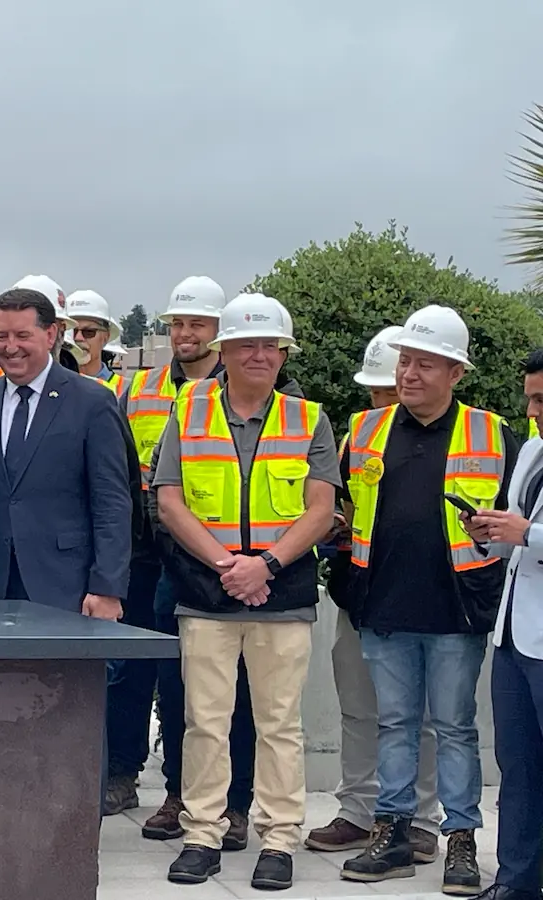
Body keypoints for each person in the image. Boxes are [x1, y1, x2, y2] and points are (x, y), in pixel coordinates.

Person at [153, 293, 338, 891]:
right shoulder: (189, 411)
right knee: (204, 720)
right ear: (223, 351)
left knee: (279, 723)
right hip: (206, 591)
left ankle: (279, 839)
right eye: (246, 344)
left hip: (280, 593)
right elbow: (168, 498)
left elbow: (321, 509)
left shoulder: (308, 419)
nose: (260, 355)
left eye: (270, 345)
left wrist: (265, 564)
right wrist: (226, 563)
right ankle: (202, 833)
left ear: (283, 354)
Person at [339, 305, 517, 895]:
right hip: (383, 607)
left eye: (425, 364)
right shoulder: (364, 432)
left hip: (456, 610)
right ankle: (389, 836)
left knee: (455, 727)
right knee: (394, 724)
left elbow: (518, 522)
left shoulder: (493, 434)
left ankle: (460, 842)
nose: (410, 374)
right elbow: (340, 516)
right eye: (406, 362)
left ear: (456, 373)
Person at [124, 277, 256, 848]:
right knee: (176, 685)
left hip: (241, 566)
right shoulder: (142, 388)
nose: (184, 333)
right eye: (177, 323)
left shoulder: (256, 391)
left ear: (219, 334)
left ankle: (237, 804)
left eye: (197, 324)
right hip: (163, 556)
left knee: (242, 694)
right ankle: (181, 792)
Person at [308, 325, 442, 858]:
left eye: (389, 390)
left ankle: (422, 821)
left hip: (424, 599)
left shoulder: (452, 438)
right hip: (361, 597)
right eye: (376, 392)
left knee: (425, 718)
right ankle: (359, 812)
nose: (383, 401)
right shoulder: (357, 436)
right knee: (359, 709)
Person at [0, 287, 130, 617]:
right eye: (1, 336)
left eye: (22, 335)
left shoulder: (92, 403)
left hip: (68, 588)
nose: (10, 347)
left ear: (51, 335)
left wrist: (107, 585)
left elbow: (112, 502)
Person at [463, 349, 543, 900]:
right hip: (515, 631)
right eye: (531, 397)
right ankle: (515, 882)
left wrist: (525, 534)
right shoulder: (533, 449)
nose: (533, 410)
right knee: (517, 767)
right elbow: (512, 537)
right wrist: (486, 531)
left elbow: (529, 534)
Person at [67, 290, 126, 394]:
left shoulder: (124, 390)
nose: (78, 338)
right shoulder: (50, 386)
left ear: (106, 337)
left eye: (89, 332)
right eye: (72, 331)